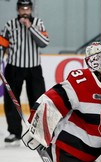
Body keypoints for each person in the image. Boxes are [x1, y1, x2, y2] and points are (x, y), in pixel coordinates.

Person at [0, 0, 49, 147]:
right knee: (11, 100)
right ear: (18, 10)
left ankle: (38, 132)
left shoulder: (38, 23)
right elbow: (2, 45)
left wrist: (30, 27)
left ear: (31, 9)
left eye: (27, 8)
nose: (25, 11)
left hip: (34, 67)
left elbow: (44, 42)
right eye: (22, 9)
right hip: (14, 67)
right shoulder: (10, 25)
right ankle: (14, 132)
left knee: (38, 99)